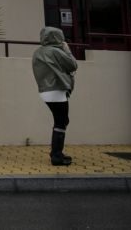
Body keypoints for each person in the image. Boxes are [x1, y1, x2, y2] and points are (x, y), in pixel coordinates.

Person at [31, 26, 78, 166]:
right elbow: (73, 65)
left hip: (44, 91)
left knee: (61, 120)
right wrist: (67, 50)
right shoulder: (57, 51)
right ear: (57, 38)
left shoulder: (37, 52)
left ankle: (56, 152)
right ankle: (57, 156)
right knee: (61, 121)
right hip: (57, 89)